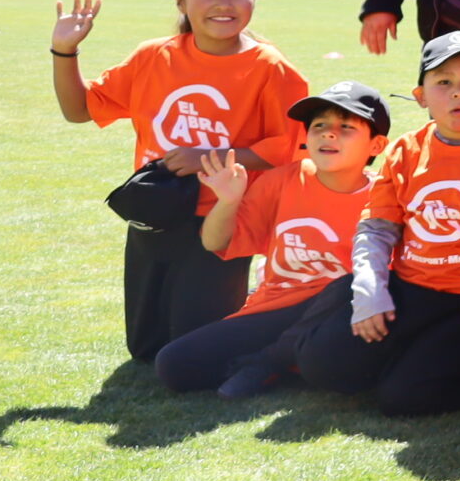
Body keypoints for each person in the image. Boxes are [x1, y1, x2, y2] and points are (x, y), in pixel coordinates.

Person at [49, 0, 312, 362]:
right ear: (181, 1)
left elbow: (286, 149)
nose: (223, 3)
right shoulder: (153, 56)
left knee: (194, 352)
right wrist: (65, 51)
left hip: (220, 218)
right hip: (156, 210)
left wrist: (208, 156)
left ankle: (269, 328)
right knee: (145, 349)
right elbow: (78, 110)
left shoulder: (272, 69)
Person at [295, 33, 460, 416]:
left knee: (405, 399)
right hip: (411, 290)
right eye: (443, 81)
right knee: (324, 366)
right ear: (421, 95)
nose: (459, 92)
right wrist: (371, 294)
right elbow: (376, 230)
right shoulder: (406, 149)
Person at [151, 81, 389, 397]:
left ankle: (268, 362)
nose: (328, 134)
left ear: (376, 145)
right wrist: (228, 201)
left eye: (346, 127)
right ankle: (285, 359)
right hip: (275, 308)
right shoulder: (282, 180)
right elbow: (214, 243)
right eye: (319, 126)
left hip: (339, 316)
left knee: (348, 286)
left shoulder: (384, 196)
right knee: (173, 365)